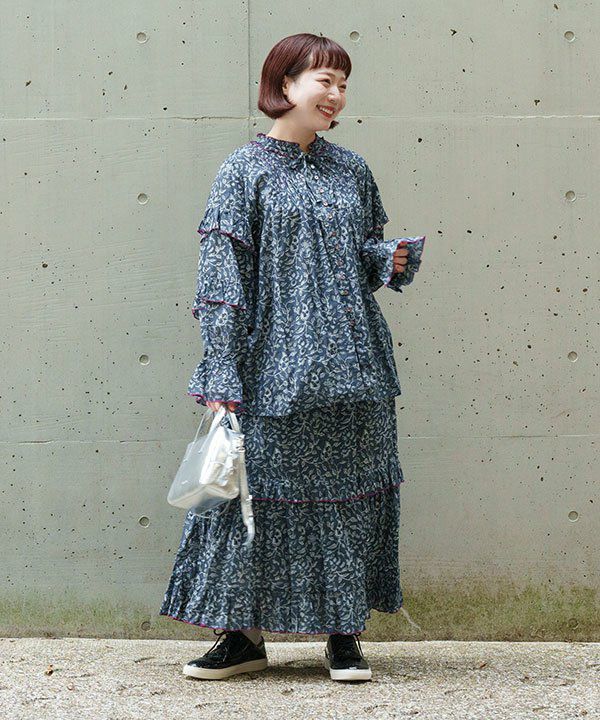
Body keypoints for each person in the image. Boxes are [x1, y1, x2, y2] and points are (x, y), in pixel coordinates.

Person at [159, 32, 425, 682]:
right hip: (271, 366)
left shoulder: (352, 170)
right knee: (251, 494)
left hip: (353, 364)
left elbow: (359, 253)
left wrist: (385, 259)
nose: (336, 95)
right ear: (284, 85)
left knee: (348, 495)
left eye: (343, 84)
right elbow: (222, 277)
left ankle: (344, 634)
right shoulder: (243, 170)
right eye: (324, 81)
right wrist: (220, 365)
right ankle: (241, 637)